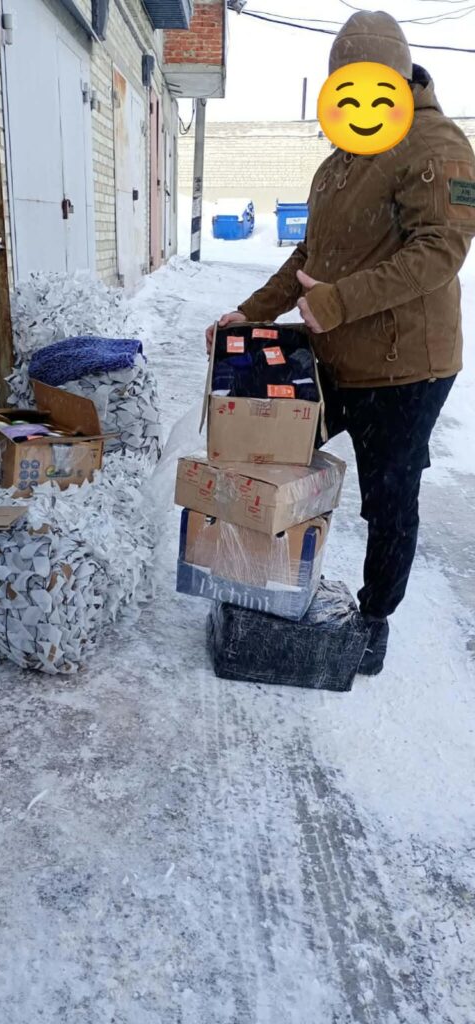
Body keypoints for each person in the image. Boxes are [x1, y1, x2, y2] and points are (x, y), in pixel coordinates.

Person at [206, 11, 475, 676]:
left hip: (406, 366)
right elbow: (308, 255)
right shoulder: (340, 161)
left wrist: (338, 301)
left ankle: (374, 620)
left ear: (400, 78)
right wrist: (248, 314)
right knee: (273, 459)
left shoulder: (434, 145)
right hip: (335, 355)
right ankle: (267, 578)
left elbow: (441, 250)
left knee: (389, 496)